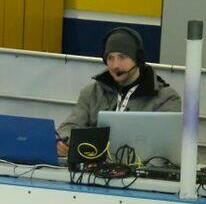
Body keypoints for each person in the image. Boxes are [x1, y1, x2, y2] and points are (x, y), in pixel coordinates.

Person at [55, 27, 182, 157]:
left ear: (137, 59)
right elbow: (70, 125)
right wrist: (64, 141)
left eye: (122, 57)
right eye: (110, 58)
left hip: (141, 167)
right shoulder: (91, 93)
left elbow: (168, 145)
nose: (115, 65)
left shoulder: (166, 98)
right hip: (94, 166)